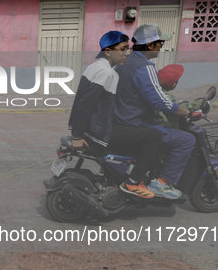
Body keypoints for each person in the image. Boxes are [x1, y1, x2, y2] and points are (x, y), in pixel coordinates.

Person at [68, 30, 163, 199]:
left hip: (92, 129)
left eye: (128, 48)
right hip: (98, 132)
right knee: (154, 136)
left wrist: (75, 129)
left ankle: (112, 172)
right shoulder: (108, 73)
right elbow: (86, 105)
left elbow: (81, 101)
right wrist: (76, 135)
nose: (127, 52)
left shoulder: (94, 67)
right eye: (123, 48)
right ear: (108, 51)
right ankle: (133, 181)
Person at [114, 24, 202, 199]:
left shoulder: (125, 63)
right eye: (159, 42)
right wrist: (187, 112)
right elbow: (161, 102)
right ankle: (161, 183)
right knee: (186, 139)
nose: (161, 46)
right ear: (149, 45)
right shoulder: (145, 67)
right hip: (138, 124)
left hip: (123, 120)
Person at [155, 64, 205, 129]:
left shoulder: (153, 91)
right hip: (166, 128)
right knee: (189, 138)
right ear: (173, 85)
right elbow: (178, 108)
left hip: (154, 125)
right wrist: (199, 103)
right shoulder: (166, 96)